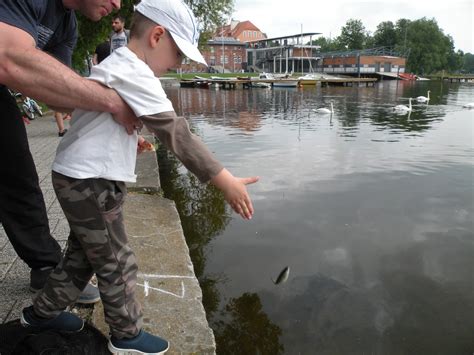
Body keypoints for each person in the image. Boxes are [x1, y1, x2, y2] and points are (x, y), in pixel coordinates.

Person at [20, 0, 259, 353]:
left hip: (78, 176)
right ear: (157, 36)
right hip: (91, 181)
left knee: (82, 257)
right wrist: (226, 181)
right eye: (177, 56)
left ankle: (41, 314)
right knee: (118, 262)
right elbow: (177, 133)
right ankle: (126, 336)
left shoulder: (120, 66)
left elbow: (99, 122)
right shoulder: (136, 71)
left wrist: (132, 141)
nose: (176, 65)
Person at [0, 0, 140, 304]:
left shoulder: (67, 24)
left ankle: (46, 265)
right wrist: (112, 102)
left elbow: (60, 95)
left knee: (18, 173)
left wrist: (115, 127)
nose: (117, 3)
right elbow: (9, 58)